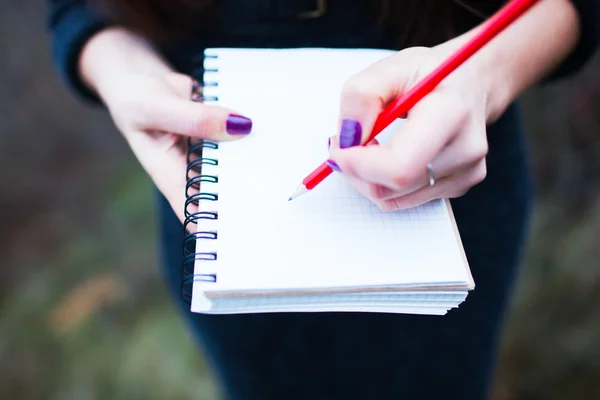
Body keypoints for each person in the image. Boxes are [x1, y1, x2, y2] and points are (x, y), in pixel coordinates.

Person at [46, 1, 598, 398]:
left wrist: (487, 74)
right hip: (219, 207)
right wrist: (122, 72)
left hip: (449, 180)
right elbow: (76, 9)